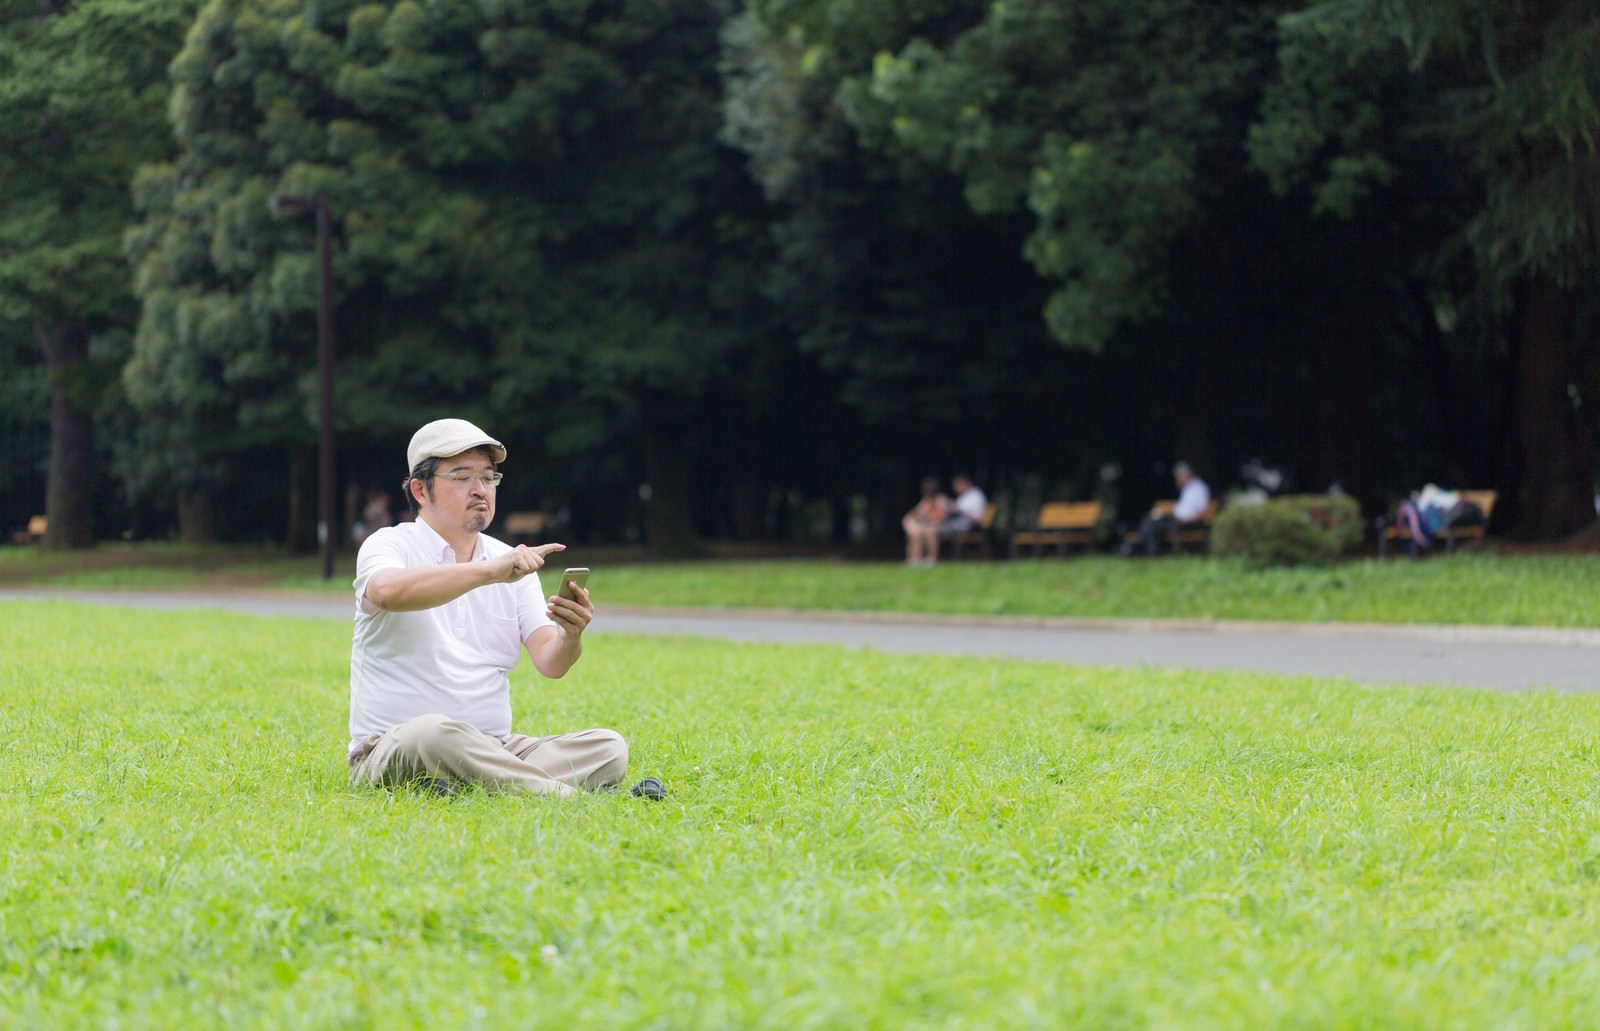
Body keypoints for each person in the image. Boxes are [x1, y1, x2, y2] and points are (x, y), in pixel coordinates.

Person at [347, 417, 658, 799]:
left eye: (489, 478)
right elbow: (386, 592)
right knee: (432, 732)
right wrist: (487, 573)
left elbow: (551, 662)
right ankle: (562, 795)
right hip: (396, 746)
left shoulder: (508, 561)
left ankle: (478, 785)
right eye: (462, 477)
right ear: (420, 490)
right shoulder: (390, 544)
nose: (480, 490)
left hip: (495, 747)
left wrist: (571, 634)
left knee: (608, 748)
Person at [1122, 460, 1212, 557]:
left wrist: (1185, 519)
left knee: (1152, 524)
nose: (1177, 480)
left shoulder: (1198, 488)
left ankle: (1144, 549)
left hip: (1186, 523)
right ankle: (1145, 547)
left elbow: (1202, 511)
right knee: (1149, 520)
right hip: (1177, 520)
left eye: (1179, 477)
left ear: (1186, 475)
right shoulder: (1188, 488)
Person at [901, 476, 948, 566]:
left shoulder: (941, 499)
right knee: (916, 534)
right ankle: (914, 559)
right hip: (912, 521)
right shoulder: (926, 501)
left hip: (925, 523)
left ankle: (930, 558)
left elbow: (942, 515)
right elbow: (916, 515)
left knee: (927, 532)